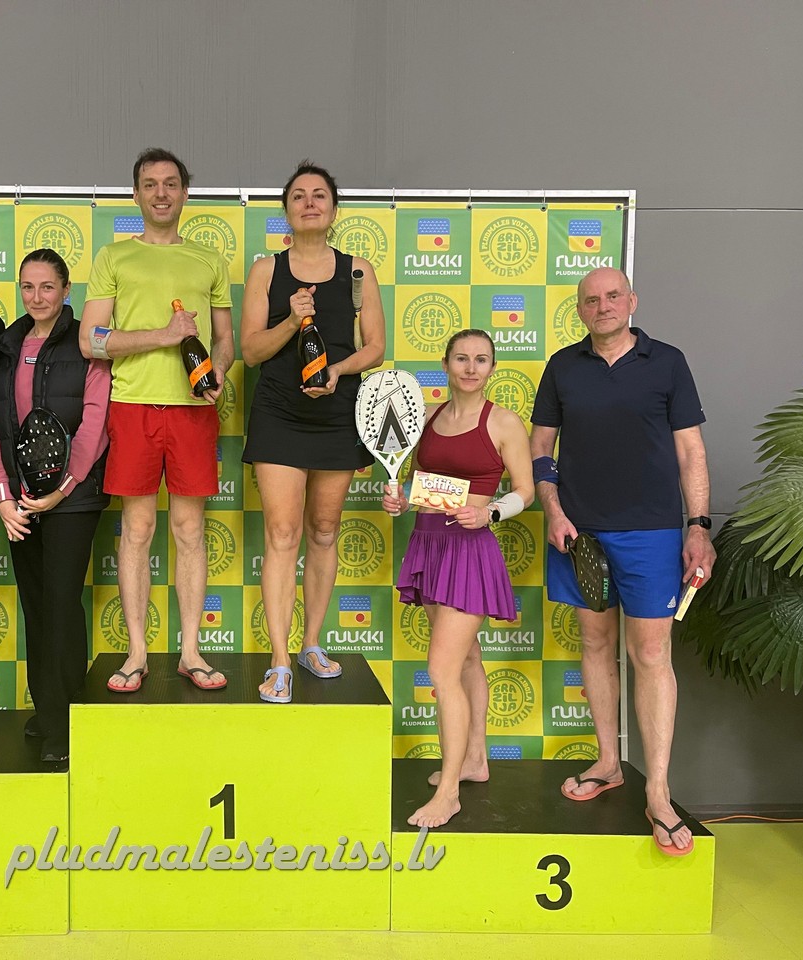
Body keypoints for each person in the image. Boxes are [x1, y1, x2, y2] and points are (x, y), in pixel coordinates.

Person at [530, 266, 714, 856]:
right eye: (591, 299)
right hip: (579, 532)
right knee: (594, 643)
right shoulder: (562, 366)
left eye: (613, 296)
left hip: (653, 533)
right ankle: (608, 761)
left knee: (652, 654)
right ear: (579, 309)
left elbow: (691, 451)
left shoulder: (668, 362)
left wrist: (699, 527)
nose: (603, 305)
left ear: (632, 300)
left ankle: (657, 791)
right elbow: (540, 447)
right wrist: (553, 510)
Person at [78, 148, 235, 693]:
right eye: (150, 184)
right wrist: (163, 336)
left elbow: (224, 339)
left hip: (193, 410)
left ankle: (191, 651)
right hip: (132, 407)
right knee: (138, 529)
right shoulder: (114, 257)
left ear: (185, 193)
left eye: (170, 183)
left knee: (190, 530)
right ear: (136, 194)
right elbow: (91, 339)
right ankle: (137, 653)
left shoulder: (209, 260)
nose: (161, 193)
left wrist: (219, 371)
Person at [240, 161, 385, 703]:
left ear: (333, 208)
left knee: (324, 531)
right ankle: (279, 661)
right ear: (286, 209)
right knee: (283, 535)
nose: (309, 203)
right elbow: (250, 351)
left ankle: (311, 644)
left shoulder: (357, 271)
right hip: (279, 413)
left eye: (319, 195)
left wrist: (337, 371)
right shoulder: (266, 271)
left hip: (337, 412)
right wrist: (290, 318)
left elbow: (375, 347)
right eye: (298, 195)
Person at [383, 329, 533, 826]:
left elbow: (525, 491)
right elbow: (423, 487)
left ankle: (448, 793)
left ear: (492, 367)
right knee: (467, 659)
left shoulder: (504, 422)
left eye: (481, 359)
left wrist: (490, 513)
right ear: (446, 364)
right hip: (428, 544)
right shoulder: (427, 417)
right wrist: (401, 500)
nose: (471, 368)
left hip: (469, 552)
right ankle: (474, 760)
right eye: (462, 358)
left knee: (442, 671)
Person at [0, 249, 110, 763]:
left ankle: (65, 721)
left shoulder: (86, 344)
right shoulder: (5, 346)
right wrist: (3, 497)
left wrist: (62, 490)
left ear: (66, 291)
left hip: (72, 500)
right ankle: (47, 708)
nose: (36, 297)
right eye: (27, 287)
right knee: (36, 607)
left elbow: (96, 423)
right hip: (20, 501)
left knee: (61, 606)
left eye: (47, 287)